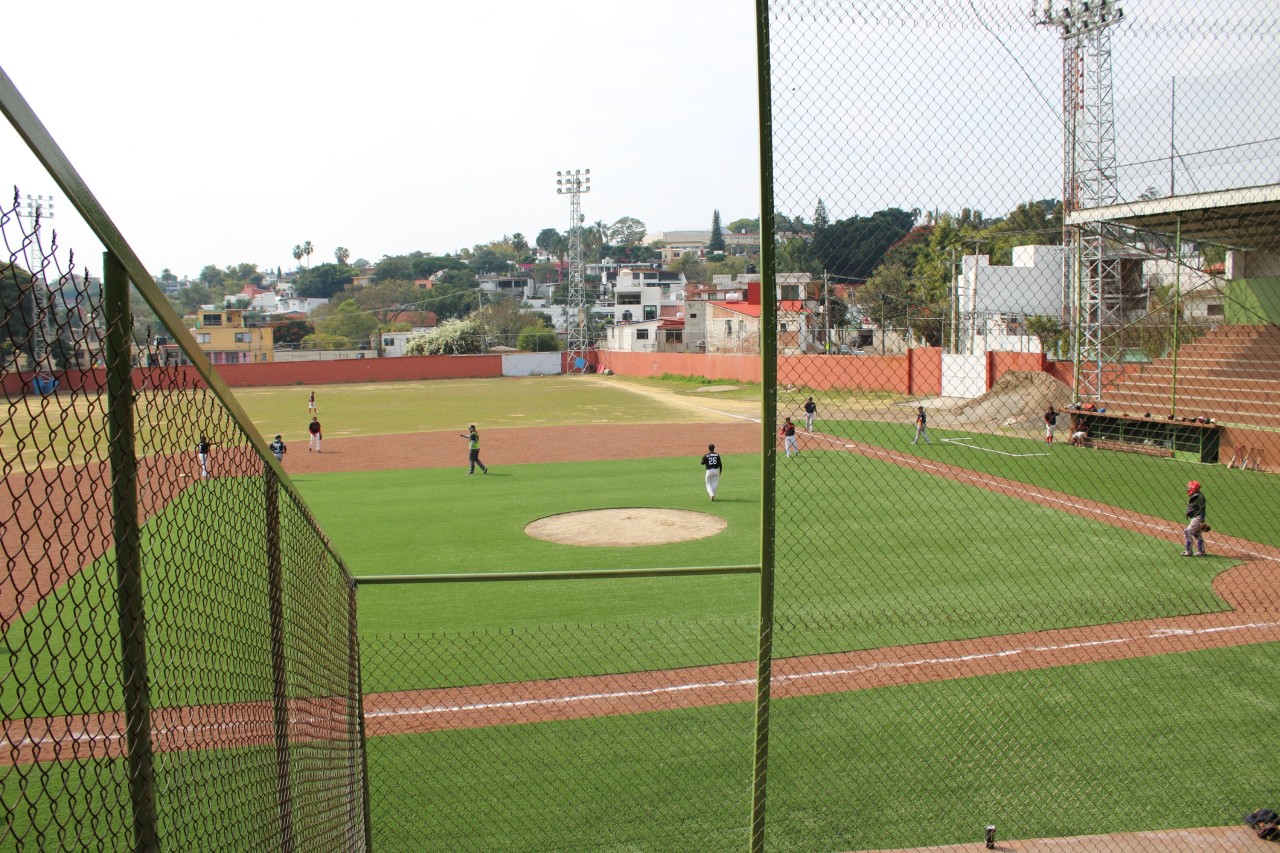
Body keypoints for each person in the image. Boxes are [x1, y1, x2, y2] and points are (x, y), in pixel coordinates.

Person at [1182, 480, 1207, 557]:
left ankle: (1188, 551)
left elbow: (1202, 509)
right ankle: (1201, 551)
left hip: (1198, 517)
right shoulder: (1196, 495)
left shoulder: (1199, 497)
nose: (1188, 489)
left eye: (1190, 487)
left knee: (1187, 532)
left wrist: (1201, 519)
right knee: (1197, 533)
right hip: (1196, 517)